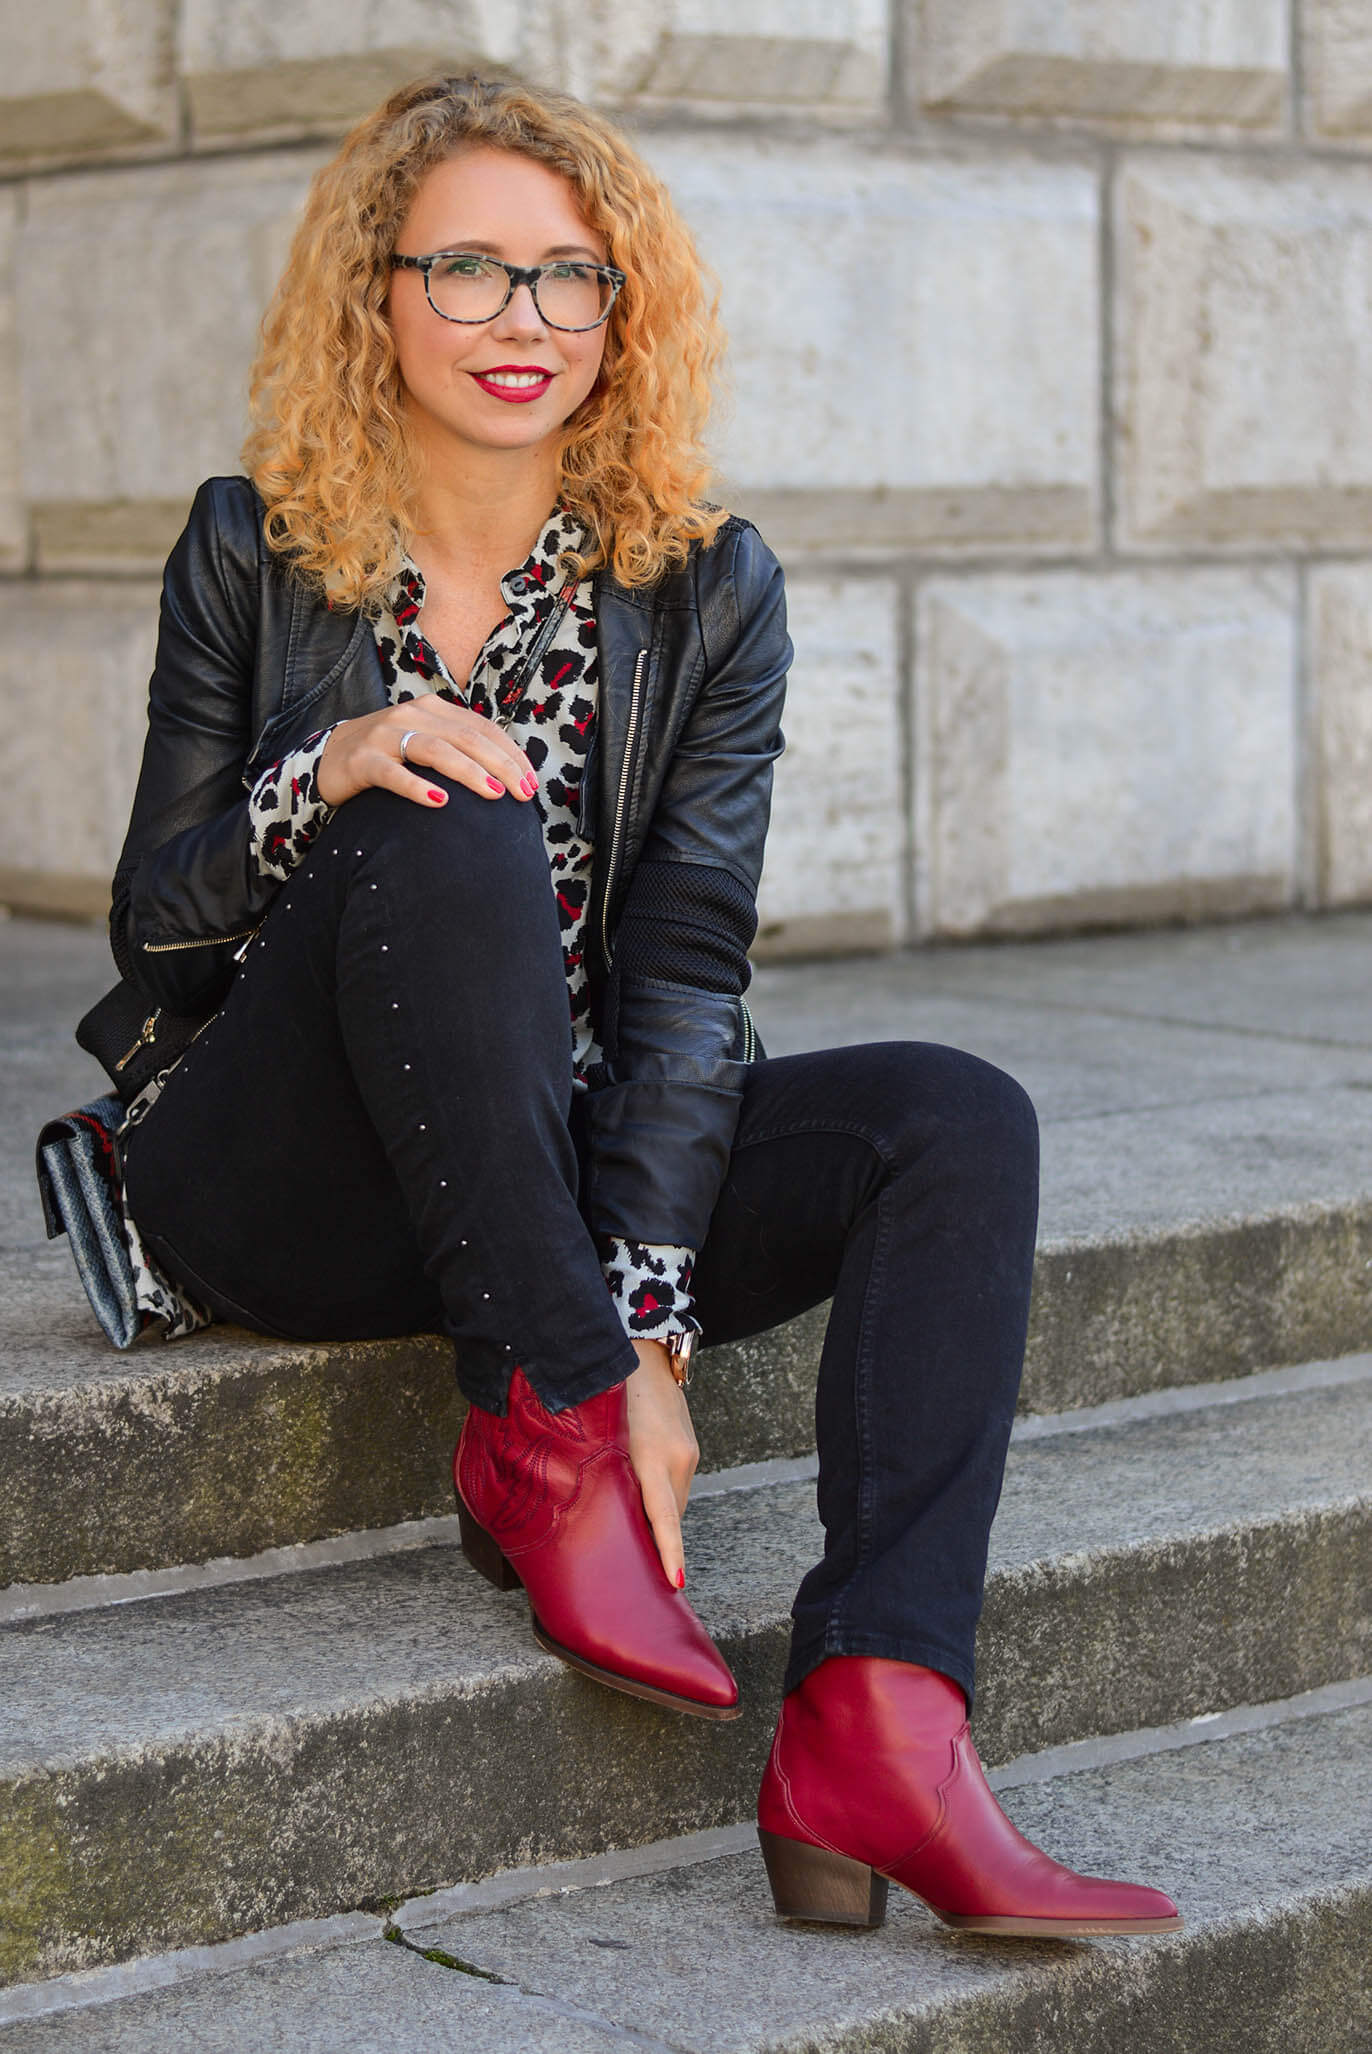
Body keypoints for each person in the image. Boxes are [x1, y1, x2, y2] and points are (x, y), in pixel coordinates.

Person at [105, 72, 1180, 1939]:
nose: (523, 322)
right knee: (446, 810)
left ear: (623, 313)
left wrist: (655, 1318)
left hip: (562, 1167)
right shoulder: (249, 544)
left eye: (568, 280)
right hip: (286, 1175)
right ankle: (544, 1427)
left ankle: (880, 1721)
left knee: (957, 1117)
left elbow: (688, 971)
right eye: (469, 270)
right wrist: (333, 760)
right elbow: (157, 931)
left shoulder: (705, 590)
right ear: (378, 293)